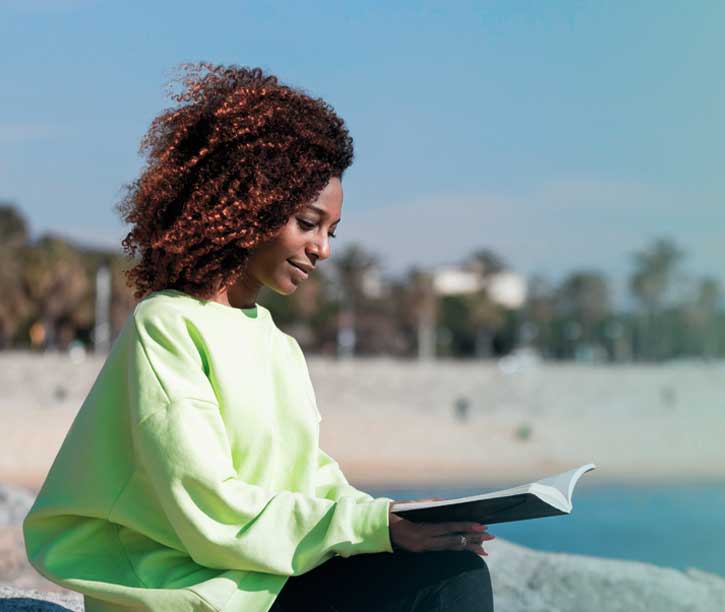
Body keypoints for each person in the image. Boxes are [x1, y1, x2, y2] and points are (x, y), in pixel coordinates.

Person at [22, 63, 496, 612]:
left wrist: (398, 518)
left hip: (264, 581)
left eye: (331, 231)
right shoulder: (167, 325)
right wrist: (369, 526)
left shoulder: (276, 342)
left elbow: (308, 478)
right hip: (188, 591)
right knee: (442, 581)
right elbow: (205, 506)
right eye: (307, 222)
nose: (323, 248)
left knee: (448, 565)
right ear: (251, 206)